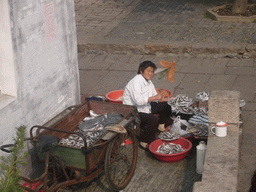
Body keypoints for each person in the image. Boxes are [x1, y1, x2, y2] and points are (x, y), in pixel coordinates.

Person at [122, 61, 173, 150]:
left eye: (152, 71)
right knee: (153, 119)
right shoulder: (136, 82)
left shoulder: (148, 81)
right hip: (134, 111)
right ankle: (144, 141)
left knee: (166, 105)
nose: (150, 73)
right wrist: (155, 97)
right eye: (148, 71)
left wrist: (168, 99)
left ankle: (161, 126)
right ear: (141, 71)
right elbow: (139, 101)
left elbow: (156, 97)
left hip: (146, 106)